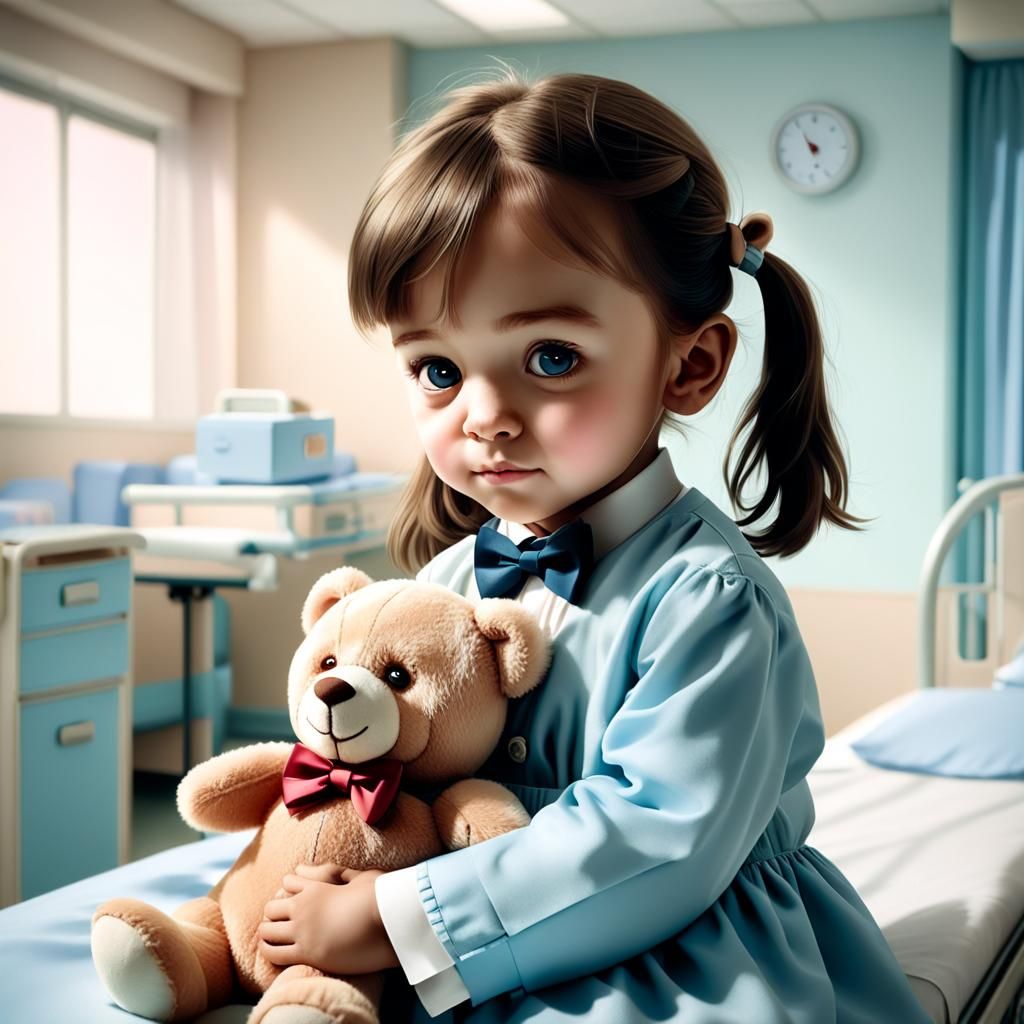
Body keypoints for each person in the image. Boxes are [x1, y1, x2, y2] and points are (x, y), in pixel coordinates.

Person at [257, 69, 932, 1023]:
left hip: (684, 951)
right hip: (459, 936)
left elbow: (657, 841)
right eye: (439, 369)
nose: (484, 418)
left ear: (690, 364)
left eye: (550, 359)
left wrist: (402, 916)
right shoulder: (446, 588)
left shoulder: (708, 598)